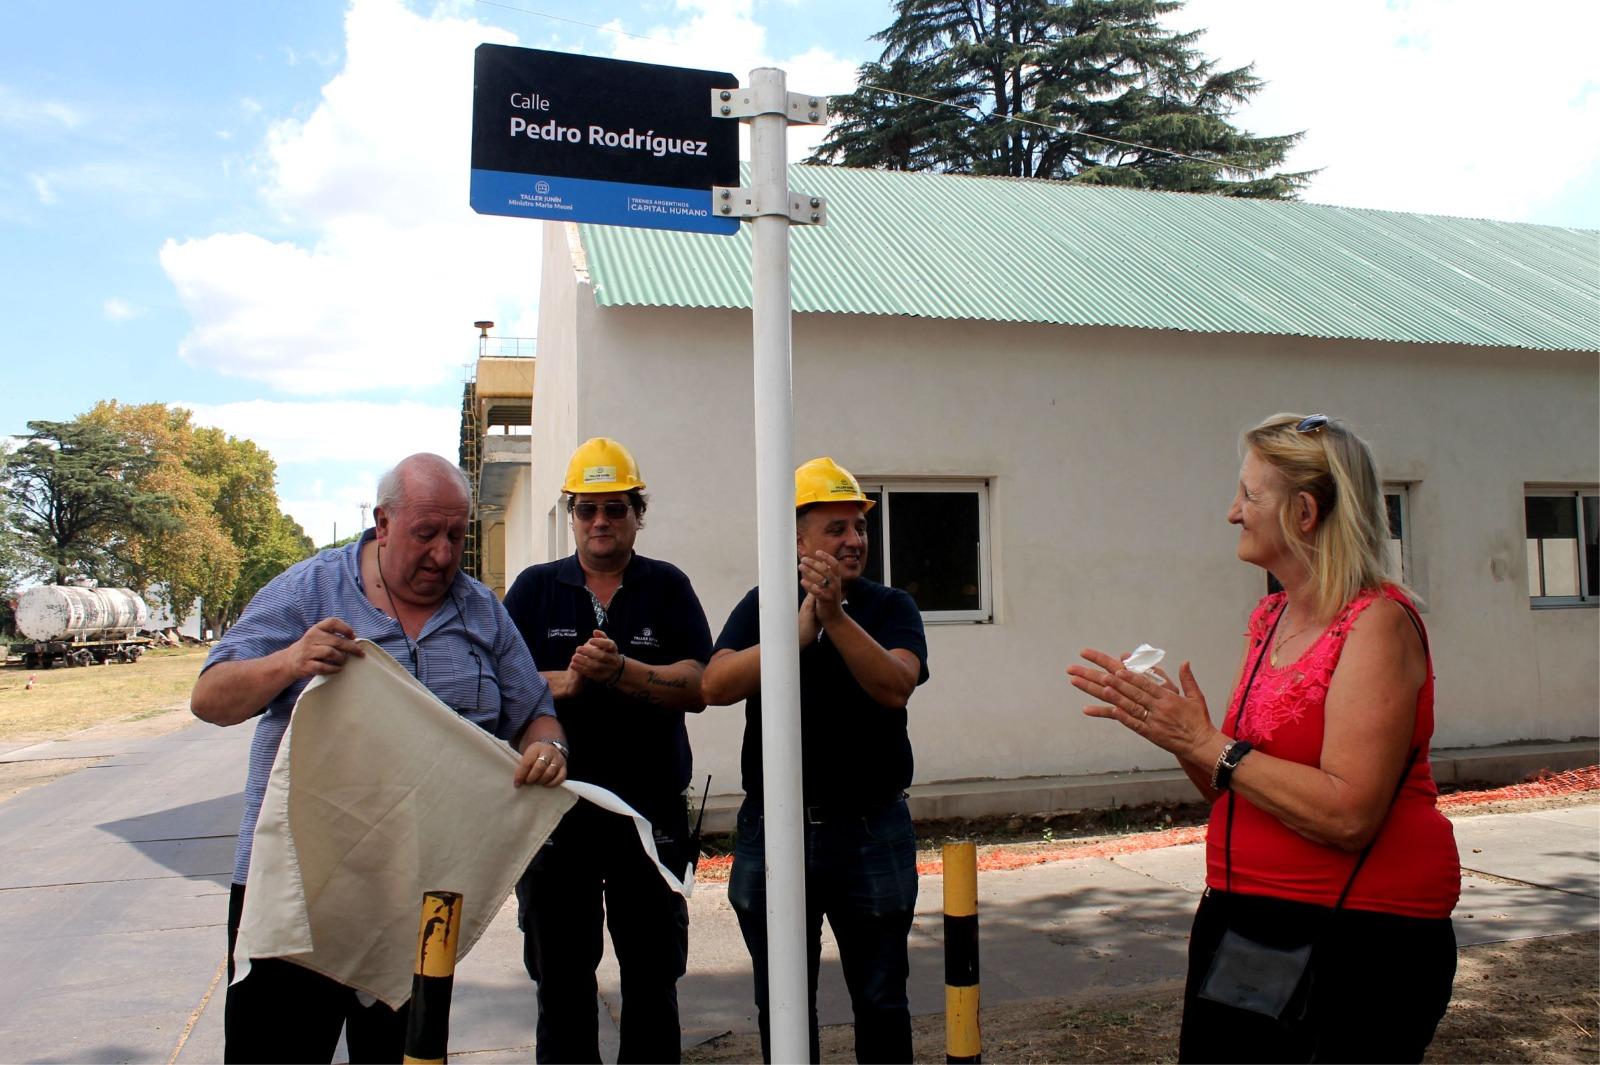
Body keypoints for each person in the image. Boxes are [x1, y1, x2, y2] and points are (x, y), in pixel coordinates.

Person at [1067, 413, 1460, 1064]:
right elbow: (1238, 787)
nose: (1232, 512)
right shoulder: (1271, 616)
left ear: (1304, 512)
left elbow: (1349, 814)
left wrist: (1208, 742)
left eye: (1249, 495)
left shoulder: (1378, 624)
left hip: (1360, 933)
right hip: (1248, 919)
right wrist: (1180, 735)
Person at [191, 453, 568, 1065]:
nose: (443, 555)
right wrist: (289, 661)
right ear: (383, 523)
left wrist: (549, 748)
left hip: (419, 900)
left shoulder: (481, 611)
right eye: (426, 533)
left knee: (404, 1056)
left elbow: (535, 714)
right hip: (301, 892)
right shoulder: (311, 589)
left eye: (456, 536)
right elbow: (210, 699)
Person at [702, 457, 929, 1064]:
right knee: (782, 1002)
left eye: (860, 526)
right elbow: (714, 685)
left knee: (881, 999)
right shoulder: (765, 602)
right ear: (797, 541)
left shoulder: (891, 607)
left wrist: (834, 618)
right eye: (837, 528)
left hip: (870, 827)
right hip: (774, 828)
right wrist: (793, 637)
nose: (854, 540)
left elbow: (896, 686)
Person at [502, 437, 713, 1064]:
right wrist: (567, 682)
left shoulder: (667, 587)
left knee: (653, 981)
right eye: (587, 508)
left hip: (649, 816)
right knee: (561, 983)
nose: (600, 520)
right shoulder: (535, 590)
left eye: (615, 508)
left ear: (636, 515)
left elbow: (700, 684)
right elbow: (497, 685)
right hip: (556, 816)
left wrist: (624, 672)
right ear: (572, 515)